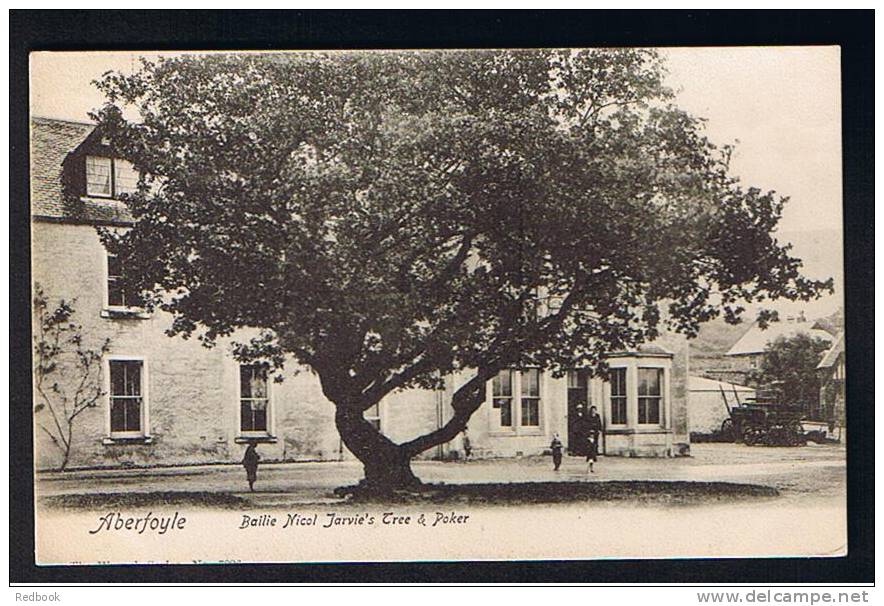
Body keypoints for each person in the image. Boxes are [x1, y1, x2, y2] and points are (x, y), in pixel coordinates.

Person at [585, 406, 603, 474]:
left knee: (594, 446)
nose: (593, 411)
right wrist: (589, 433)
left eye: (594, 410)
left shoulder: (597, 416)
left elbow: (599, 423)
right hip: (590, 432)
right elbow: (586, 425)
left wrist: (599, 430)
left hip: (595, 433)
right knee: (590, 449)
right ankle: (590, 466)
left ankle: (591, 464)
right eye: (592, 410)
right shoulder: (588, 417)